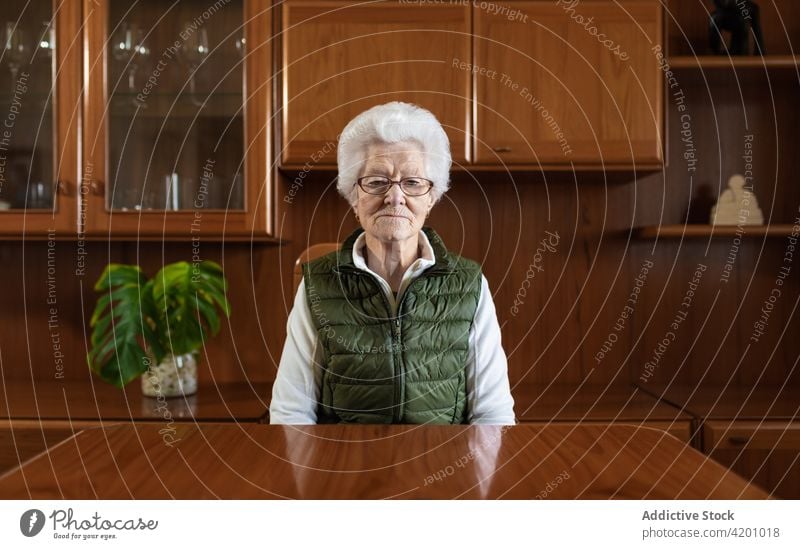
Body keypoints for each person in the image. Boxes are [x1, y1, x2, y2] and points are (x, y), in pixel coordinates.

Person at [270, 101, 515, 425]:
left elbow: (492, 414)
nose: (395, 197)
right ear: (354, 196)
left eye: (412, 182)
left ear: (431, 197)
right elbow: (291, 413)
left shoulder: (469, 283)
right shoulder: (318, 283)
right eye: (376, 181)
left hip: (444, 466)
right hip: (344, 468)